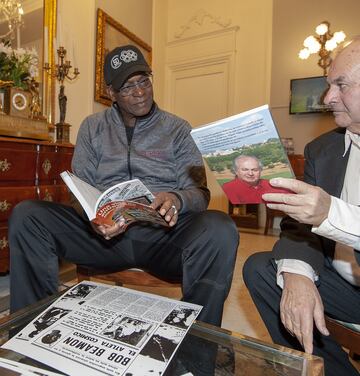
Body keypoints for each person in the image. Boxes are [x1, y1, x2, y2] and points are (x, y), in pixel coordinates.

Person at [8, 44, 239, 328]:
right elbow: (79, 190)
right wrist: (93, 217)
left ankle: (197, 345)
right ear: (111, 93)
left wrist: (176, 199)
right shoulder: (92, 127)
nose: (140, 92)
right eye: (128, 87)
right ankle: (31, 326)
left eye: (143, 81)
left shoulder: (178, 129)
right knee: (27, 215)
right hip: (102, 239)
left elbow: (200, 194)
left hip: (162, 239)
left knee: (220, 228)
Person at [243, 37, 360, 376]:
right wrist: (297, 271)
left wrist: (330, 214)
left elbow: (323, 213)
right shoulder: (321, 149)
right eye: (328, 85)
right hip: (346, 283)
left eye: (341, 85)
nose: (328, 98)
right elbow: (296, 225)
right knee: (261, 268)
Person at [222, 155, 289, 204]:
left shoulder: (270, 184)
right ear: (236, 171)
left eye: (255, 170)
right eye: (245, 170)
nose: (250, 173)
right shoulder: (228, 188)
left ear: (260, 170)